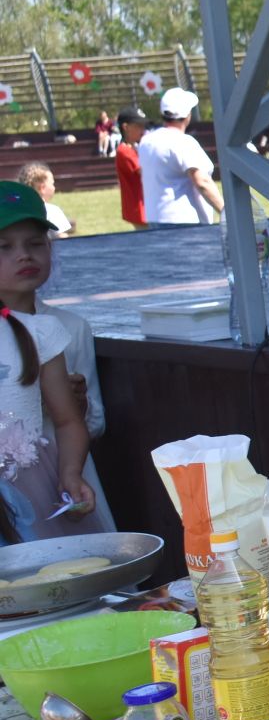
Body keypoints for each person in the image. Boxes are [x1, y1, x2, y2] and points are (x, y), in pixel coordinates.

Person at [0, 205, 113, 530]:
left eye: (35, 244)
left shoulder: (64, 328)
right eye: (4, 247)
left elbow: (88, 422)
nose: (24, 256)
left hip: (50, 482)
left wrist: (78, 403)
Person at [139, 88, 223, 225]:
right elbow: (202, 182)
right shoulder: (184, 142)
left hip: (154, 219)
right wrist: (224, 210)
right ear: (187, 115)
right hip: (184, 222)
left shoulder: (146, 141)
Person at [16, 164, 72, 237]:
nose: (54, 187)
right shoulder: (52, 211)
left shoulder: (14, 209)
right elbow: (62, 239)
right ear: (42, 188)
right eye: (52, 184)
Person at [115, 109, 147, 229]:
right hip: (139, 208)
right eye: (138, 126)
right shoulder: (125, 151)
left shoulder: (134, 148)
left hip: (143, 207)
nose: (142, 130)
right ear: (126, 127)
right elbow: (144, 172)